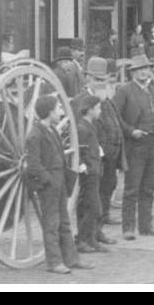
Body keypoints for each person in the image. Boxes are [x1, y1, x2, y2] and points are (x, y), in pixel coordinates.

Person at [24, 93, 93, 274]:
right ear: (49, 112)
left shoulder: (52, 130)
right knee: (51, 225)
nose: (61, 112)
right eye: (58, 109)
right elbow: (33, 165)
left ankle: (71, 259)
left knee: (64, 222)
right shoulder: (35, 135)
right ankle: (54, 262)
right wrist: (48, 181)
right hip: (49, 187)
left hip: (60, 182)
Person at [112, 53, 154, 240]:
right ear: (133, 72)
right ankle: (128, 228)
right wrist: (131, 131)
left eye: (146, 69)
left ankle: (146, 226)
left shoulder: (152, 91)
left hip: (153, 143)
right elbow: (115, 116)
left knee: (148, 188)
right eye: (139, 70)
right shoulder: (125, 91)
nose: (143, 72)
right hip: (135, 145)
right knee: (132, 188)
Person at [85, 57, 121, 244]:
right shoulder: (81, 100)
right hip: (93, 159)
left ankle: (99, 231)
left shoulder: (107, 100)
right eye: (97, 80)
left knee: (106, 191)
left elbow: (115, 123)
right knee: (92, 199)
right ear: (87, 79)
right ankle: (89, 236)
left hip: (110, 157)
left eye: (104, 80)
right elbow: (80, 130)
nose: (101, 84)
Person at [74, 94, 106, 254]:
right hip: (89, 172)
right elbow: (77, 149)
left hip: (94, 169)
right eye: (98, 108)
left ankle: (90, 238)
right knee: (92, 207)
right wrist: (82, 165)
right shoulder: (82, 127)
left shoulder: (89, 125)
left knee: (92, 206)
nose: (100, 111)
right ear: (90, 110)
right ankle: (81, 240)